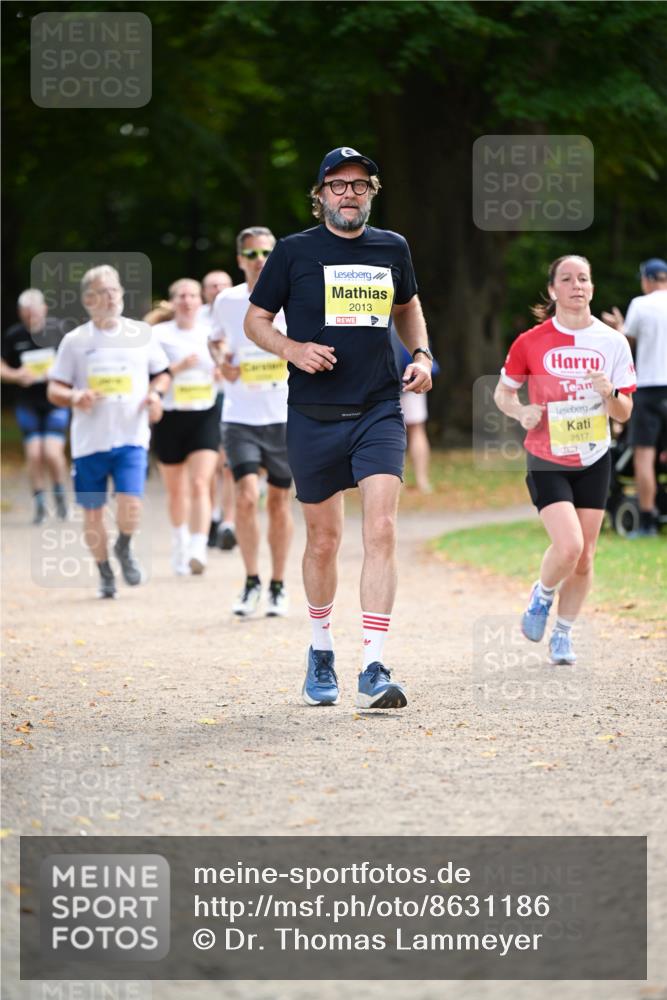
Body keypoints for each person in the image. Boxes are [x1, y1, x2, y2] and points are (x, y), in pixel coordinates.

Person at [244, 147, 433, 708]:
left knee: (381, 530)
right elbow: (256, 320)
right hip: (313, 414)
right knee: (323, 541)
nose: (349, 193)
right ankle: (321, 647)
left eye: (360, 184)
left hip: (379, 408)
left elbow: (409, 305)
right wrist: (292, 348)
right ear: (320, 194)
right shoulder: (294, 252)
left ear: (372, 193)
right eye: (338, 184)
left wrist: (420, 354)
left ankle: (374, 664)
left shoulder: (391, 247)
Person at [494, 255, 636, 664]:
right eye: (567, 279)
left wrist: (609, 392)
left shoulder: (612, 342)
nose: (577, 285)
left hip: (594, 456)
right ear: (553, 289)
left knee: (586, 554)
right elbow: (503, 393)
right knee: (569, 544)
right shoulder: (530, 342)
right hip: (546, 455)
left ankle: (563, 633)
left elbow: (624, 412)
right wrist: (520, 411)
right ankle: (541, 595)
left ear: (591, 288)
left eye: (584, 279)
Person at [47, 265, 170, 598]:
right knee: (93, 513)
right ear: (88, 299)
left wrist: (155, 395)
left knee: (131, 506)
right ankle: (104, 572)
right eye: (103, 291)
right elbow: (55, 389)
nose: (112, 296)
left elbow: (162, 374)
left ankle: (124, 547)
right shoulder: (75, 341)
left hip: (131, 438)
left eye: (115, 289)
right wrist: (75, 396)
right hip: (90, 442)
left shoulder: (141, 334)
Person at [209, 227, 293, 617]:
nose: (259, 258)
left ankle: (278, 584)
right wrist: (221, 358)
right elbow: (216, 339)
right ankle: (251, 580)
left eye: (265, 252)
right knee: (244, 496)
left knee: (278, 501)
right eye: (251, 253)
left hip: (284, 416)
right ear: (240, 259)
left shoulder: (293, 296)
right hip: (240, 416)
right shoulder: (227, 300)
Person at [152, 278, 220, 575]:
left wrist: (221, 371)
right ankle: (180, 541)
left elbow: (225, 365)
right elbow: (149, 372)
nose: (188, 300)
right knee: (176, 489)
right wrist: (177, 368)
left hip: (204, 414)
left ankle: (198, 546)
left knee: (200, 483)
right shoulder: (158, 334)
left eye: (193, 295)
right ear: (173, 300)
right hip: (169, 416)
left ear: (199, 301)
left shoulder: (211, 333)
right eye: (182, 295)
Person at [602, 257, 667, 536]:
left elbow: (626, 341)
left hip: (650, 388)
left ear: (648, 279)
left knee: (643, 455)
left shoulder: (641, 305)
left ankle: (648, 520)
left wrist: (618, 327)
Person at [1, 289, 69, 523]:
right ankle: (39, 502)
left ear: (44, 309)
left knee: (51, 452)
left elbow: (74, 363)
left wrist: (58, 374)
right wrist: (16, 374)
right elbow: (2, 366)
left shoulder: (58, 331)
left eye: (35, 313)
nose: (31, 318)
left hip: (55, 400)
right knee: (34, 453)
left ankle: (59, 492)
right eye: (26, 314)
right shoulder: (14, 335)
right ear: (20, 313)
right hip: (27, 402)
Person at [198, 269, 237, 551]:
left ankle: (229, 523)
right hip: (202, 398)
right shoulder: (195, 318)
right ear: (204, 291)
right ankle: (210, 517)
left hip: (233, 395)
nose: (217, 289)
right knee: (210, 465)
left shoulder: (241, 310)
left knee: (229, 463)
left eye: (222, 285)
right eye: (212, 285)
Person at [391, 324, 434, 494]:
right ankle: (422, 481)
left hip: (387, 386)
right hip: (413, 380)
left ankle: (396, 482)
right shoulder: (410, 325)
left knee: (391, 432)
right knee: (417, 430)